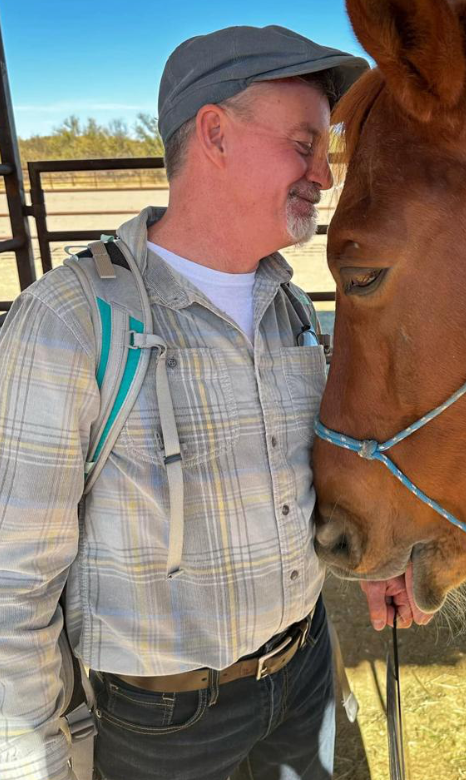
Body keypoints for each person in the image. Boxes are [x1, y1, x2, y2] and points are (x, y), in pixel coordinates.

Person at [0, 25, 377, 780]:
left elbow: (302, 483)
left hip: (303, 665)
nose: (324, 176)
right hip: (161, 724)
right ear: (214, 134)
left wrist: (383, 556)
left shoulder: (290, 306)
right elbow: (13, 580)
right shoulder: (71, 322)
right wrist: (29, 754)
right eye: (305, 145)